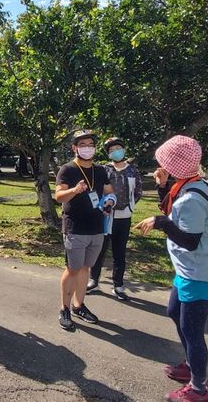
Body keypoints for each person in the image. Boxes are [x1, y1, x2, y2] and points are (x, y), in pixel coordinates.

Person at [135, 135, 208, 402]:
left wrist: (161, 222)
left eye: (165, 162)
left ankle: (198, 388)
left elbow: (189, 240)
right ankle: (190, 364)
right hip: (187, 270)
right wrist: (163, 187)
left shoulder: (192, 198)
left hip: (200, 272)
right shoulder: (188, 186)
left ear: (176, 164)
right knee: (174, 312)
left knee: (192, 332)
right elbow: (172, 209)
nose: (161, 165)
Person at [55, 130, 116, 330]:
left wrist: (109, 202)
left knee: (85, 268)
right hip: (75, 228)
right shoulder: (67, 169)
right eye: (83, 145)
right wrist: (74, 190)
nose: (87, 148)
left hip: (97, 227)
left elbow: (109, 192)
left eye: (90, 144)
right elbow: (59, 197)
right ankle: (64, 308)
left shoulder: (100, 170)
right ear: (75, 148)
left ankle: (78, 306)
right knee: (72, 268)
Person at [88, 137, 143, 301]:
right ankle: (94, 281)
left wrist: (129, 206)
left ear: (124, 150)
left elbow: (138, 191)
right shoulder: (104, 169)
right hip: (105, 216)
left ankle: (118, 285)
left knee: (120, 252)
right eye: (111, 150)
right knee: (99, 249)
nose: (115, 152)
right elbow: (97, 189)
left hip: (124, 217)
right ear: (108, 153)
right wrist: (102, 207)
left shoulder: (133, 170)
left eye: (118, 148)